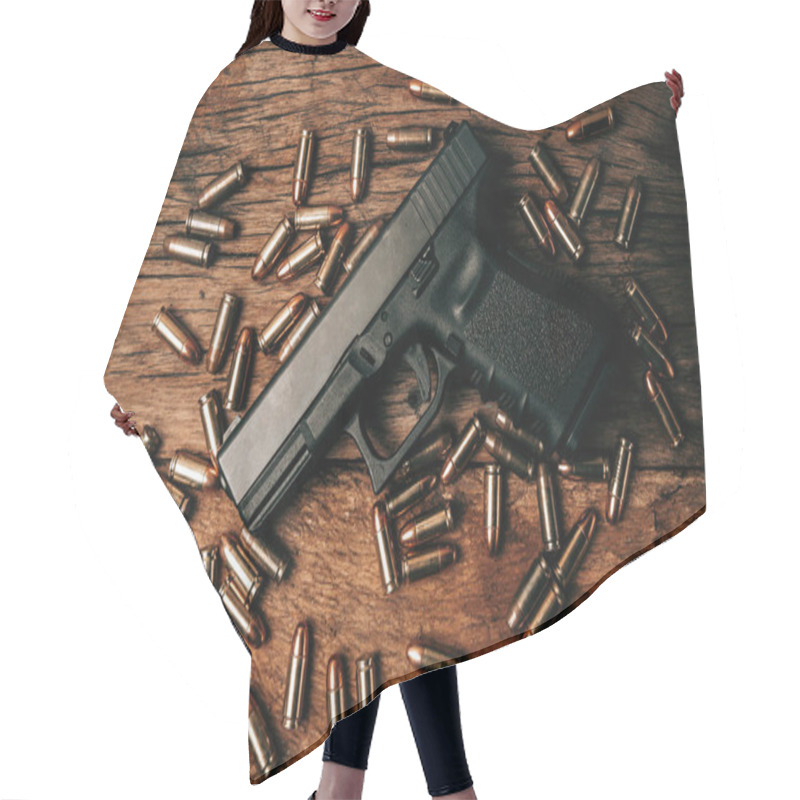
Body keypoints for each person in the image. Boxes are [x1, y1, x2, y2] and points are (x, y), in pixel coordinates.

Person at [236, 3, 479, 799]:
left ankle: (355, 790)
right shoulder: (245, 87)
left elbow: (493, 150)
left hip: (351, 344)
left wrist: (634, 135)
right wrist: (158, 396)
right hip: (277, 372)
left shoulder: (380, 87)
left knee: (389, 564)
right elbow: (222, 256)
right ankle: (406, 789)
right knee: (369, 569)